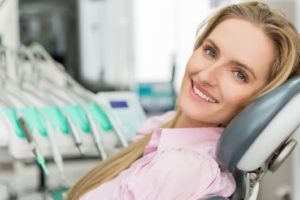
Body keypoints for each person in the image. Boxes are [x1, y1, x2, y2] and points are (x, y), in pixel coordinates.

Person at [67, 1, 300, 199]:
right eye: (210, 52)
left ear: (257, 104)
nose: (206, 75)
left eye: (239, 74)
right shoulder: (165, 127)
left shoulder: (183, 169)